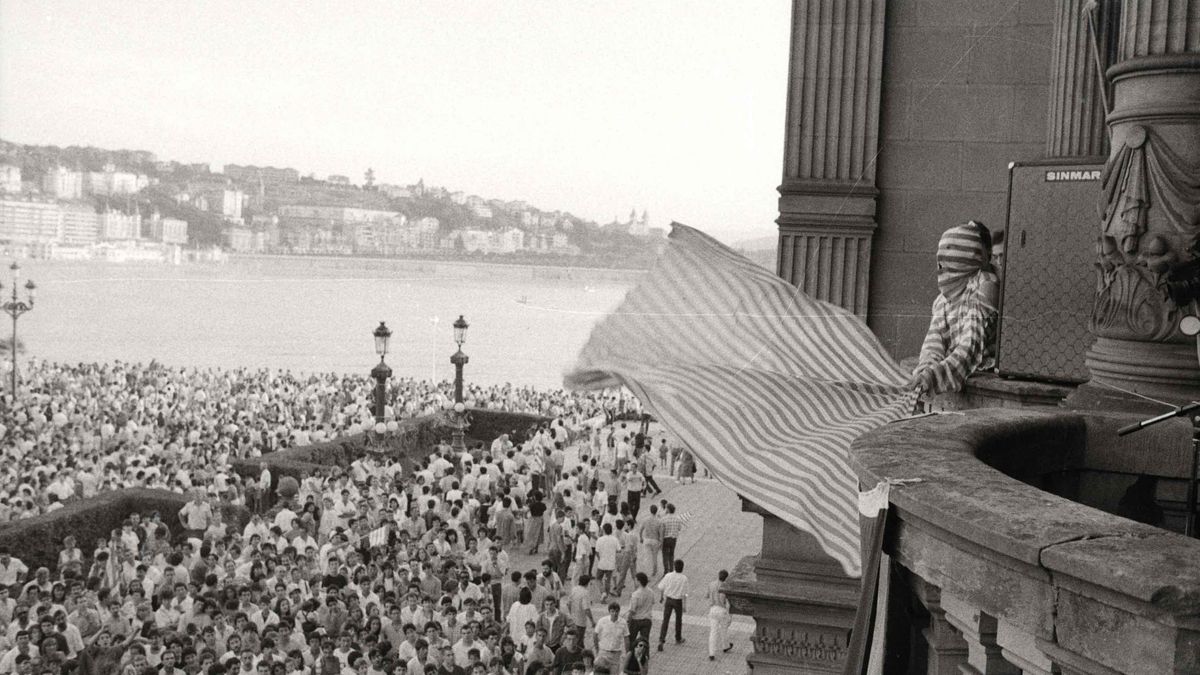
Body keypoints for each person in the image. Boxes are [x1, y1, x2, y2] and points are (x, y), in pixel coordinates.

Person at [909, 220, 1000, 396]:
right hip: (955, 373)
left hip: (978, 374)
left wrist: (935, 376)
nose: (942, 267)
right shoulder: (944, 299)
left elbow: (971, 345)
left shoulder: (985, 286)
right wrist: (926, 368)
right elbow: (934, 341)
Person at [655, 561, 687, 651]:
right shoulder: (684, 578)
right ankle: (678, 637)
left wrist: (661, 597)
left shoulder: (668, 576)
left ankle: (661, 639)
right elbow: (685, 594)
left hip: (668, 600)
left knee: (665, 620)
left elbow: (661, 587)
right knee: (678, 619)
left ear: (674, 567)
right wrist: (685, 605)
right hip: (678, 601)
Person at [705, 570, 733, 660]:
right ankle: (725, 646)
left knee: (713, 632)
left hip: (712, 609)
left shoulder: (711, 584)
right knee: (724, 628)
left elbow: (706, 595)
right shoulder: (725, 586)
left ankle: (711, 653)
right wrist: (726, 609)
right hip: (721, 610)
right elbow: (722, 599)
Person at [591, 603, 627, 675]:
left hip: (616, 654)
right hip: (604, 652)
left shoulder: (623, 622)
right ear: (609, 612)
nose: (615, 613)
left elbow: (626, 637)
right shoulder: (602, 621)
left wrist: (626, 652)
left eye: (617, 611)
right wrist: (597, 649)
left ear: (619, 612)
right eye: (612, 611)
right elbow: (595, 634)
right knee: (600, 672)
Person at [625, 573, 653, 653]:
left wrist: (628, 620)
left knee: (631, 640)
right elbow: (652, 602)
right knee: (644, 640)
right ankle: (645, 656)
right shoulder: (651, 591)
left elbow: (632, 610)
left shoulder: (636, 594)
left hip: (636, 620)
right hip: (647, 619)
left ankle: (630, 655)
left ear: (639, 581)